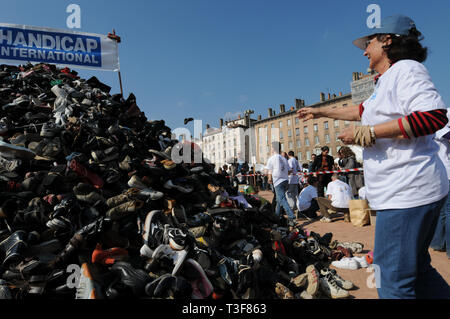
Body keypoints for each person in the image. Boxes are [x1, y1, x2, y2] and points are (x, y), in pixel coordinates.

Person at [297, 14, 449, 299]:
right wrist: (320, 111)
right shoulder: (387, 79)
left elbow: (432, 116)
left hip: (406, 191)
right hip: (410, 191)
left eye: (369, 43)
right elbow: (361, 111)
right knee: (419, 270)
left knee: (391, 281)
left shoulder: (406, 70)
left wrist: (368, 134)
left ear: (388, 40)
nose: (365, 51)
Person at [430, 113, 450, 259]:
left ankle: (438, 243)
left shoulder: (429, 127)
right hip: (447, 173)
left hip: (436, 174)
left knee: (442, 211)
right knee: (448, 212)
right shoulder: (441, 127)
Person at [265, 141, 295, 221]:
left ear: (273, 148)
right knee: (279, 200)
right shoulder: (284, 158)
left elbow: (269, 170)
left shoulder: (272, 158)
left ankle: (291, 216)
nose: (270, 149)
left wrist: (269, 178)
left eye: (271, 147)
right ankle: (276, 216)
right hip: (285, 180)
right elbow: (289, 171)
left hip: (278, 181)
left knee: (282, 199)